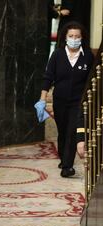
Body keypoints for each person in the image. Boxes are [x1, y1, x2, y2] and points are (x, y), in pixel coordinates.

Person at [40, 21, 93, 177]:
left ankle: (68, 167)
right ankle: (64, 158)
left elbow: (90, 81)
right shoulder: (57, 54)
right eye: (71, 36)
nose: (74, 39)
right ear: (65, 37)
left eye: (77, 36)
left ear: (82, 38)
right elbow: (48, 77)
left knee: (71, 131)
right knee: (63, 131)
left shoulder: (88, 56)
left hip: (78, 101)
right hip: (60, 100)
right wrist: (42, 99)